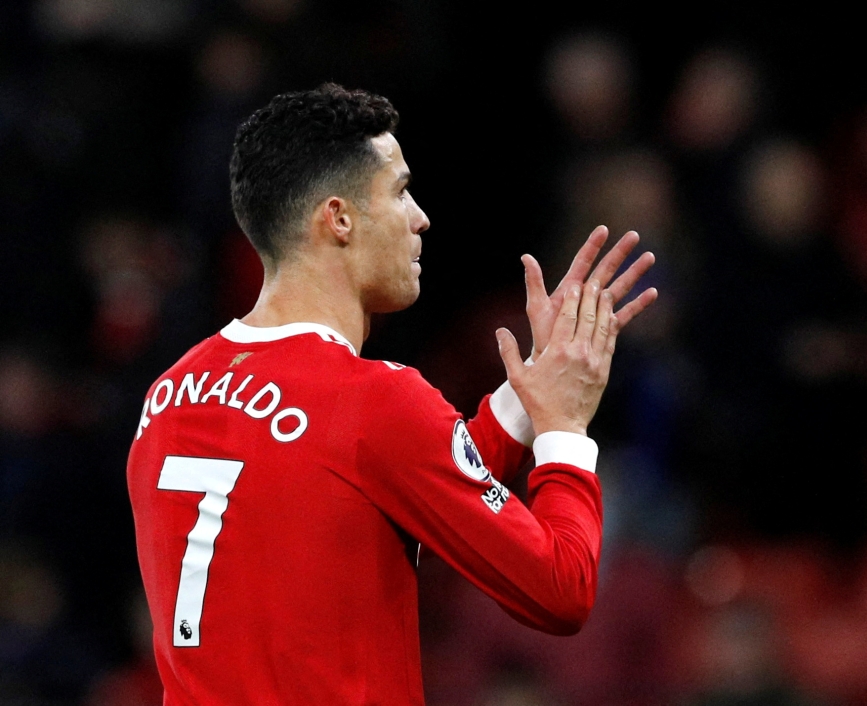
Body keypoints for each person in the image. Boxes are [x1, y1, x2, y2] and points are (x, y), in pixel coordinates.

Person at [126, 83, 656, 704]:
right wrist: (564, 426)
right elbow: (560, 590)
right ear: (340, 217)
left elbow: (384, 493)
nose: (420, 217)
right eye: (400, 191)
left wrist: (526, 394)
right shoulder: (371, 401)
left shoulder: (170, 394)